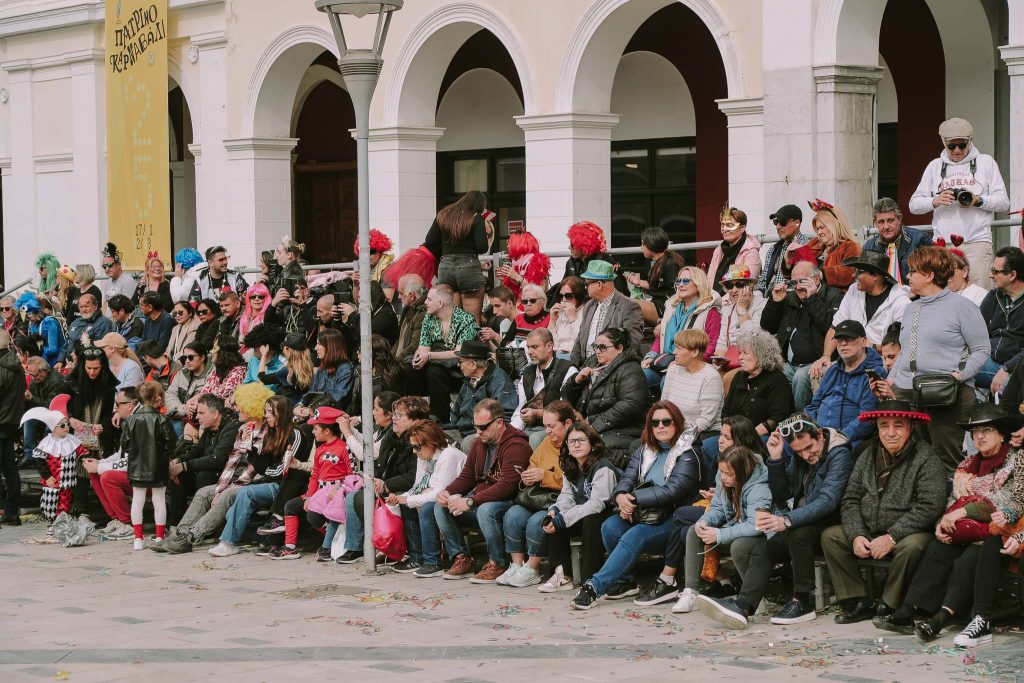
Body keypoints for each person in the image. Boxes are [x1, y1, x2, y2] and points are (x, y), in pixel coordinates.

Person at [873, 403, 1023, 646]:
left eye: (987, 431)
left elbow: (1003, 503)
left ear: (1002, 434)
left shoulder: (1014, 462)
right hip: (963, 530)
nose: (980, 437)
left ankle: (941, 618)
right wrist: (943, 522)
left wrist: (961, 512)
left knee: (968, 559)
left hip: (995, 533)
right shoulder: (968, 465)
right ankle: (912, 610)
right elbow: (953, 501)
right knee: (936, 549)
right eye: (976, 432)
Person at [822, 399, 946, 624]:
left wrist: (892, 536)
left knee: (912, 547)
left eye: (898, 425)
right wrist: (857, 534)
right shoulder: (867, 455)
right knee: (831, 537)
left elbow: (930, 506)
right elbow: (850, 498)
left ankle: (889, 604)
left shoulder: (926, 458)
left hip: (908, 532)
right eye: (884, 426)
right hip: (870, 528)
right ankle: (859, 600)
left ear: (910, 427)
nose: (890, 433)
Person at [570, 401, 702, 610]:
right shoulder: (645, 451)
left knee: (635, 535)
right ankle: (625, 581)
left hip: (673, 518)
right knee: (610, 526)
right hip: (644, 512)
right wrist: (621, 496)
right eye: (655, 422)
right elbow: (626, 479)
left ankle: (595, 587)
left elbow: (672, 491)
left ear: (677, 424)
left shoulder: (688, 453)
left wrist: (634, 499)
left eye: (666, 421)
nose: (660, 426)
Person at [885, 246, 989, 473]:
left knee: (947, 460)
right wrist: (891, 380)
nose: (908, 276)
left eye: (912, 271)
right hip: (908, 391)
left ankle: (952, 506)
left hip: (946, 393)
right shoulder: (911, 308)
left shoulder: (963, 306)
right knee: (913, 459)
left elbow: (982, 349)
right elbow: (906, 351)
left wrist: (960, 375)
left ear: (930, 275)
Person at [759, 414, 855, 624]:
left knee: (798, 534)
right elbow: (783, 493)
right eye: (798, 451)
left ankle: (803, 601)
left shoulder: (839, 453)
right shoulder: (801, 455)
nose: (805, 455)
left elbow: (828, 501)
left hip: (836, 520)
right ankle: (743, 604)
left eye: (808, 447)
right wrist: (775, 459)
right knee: (768, 547)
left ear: (819, 434)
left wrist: (787, 519)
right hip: (808, 518)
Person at [160, 383, 274, 554]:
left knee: (225, 494)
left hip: (257, 481)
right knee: (204, 493)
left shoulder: (268, 432)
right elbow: (232, 462)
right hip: (237, 479)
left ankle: (191, 536)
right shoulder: (244, 429)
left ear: (252, 407)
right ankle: (179, 534)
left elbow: (253, 469)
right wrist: (220, 488)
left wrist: (228, 488)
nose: (236, 408)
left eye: (240, 405)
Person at [433, 399, 532, 582]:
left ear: (499, 422)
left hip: (508, 502)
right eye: (475, 426)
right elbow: (467, 476)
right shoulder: (480, 442)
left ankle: (498, 562)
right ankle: (462, 558)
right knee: (440, 506)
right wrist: (448, 491)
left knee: (487, 510)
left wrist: (470, 501)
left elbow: (507, 486)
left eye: (483, 427)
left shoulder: (517, 445)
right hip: (481, 499)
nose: (478, 432)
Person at [678, 445, 774, 630]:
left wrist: (719, 534)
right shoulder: (724, 479)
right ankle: (690, 591)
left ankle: (755, 597)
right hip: (733, 527)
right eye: (721, 472)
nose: (723, 477)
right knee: (693, 531)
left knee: (739, 546)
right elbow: (716, 508)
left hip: (758, 536)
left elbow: (756, 525)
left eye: (728, 473)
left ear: (743, 471)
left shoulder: (759, 489)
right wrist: (704, 521)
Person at [909, 117, 1009, 288]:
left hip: (977, 243)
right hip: (943, 246)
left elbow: (1004, 203)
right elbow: (913, 205)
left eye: (962, 145)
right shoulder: (935, 166)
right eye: (951, 145)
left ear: (971, 141)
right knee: (944, 295)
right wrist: (935, 201)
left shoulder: (986, 162)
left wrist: (978, 200)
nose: (957, 150)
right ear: (943, 142)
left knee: (979, 295)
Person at [213, 395, 307, 557]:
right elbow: (263, 467)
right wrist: (250, 448)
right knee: (233, 508)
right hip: (273, 482)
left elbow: (283, 470)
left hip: (288, 485)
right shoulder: (271, 433)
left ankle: (228, 543)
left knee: (245, 493)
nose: (266, 415)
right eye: (265, 411)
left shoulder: (295, 434)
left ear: (282, 413)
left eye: (270, 412)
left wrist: (267, 470)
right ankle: (265, 539)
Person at [495, 400, 571, 588]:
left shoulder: (577, 442)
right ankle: (517, 564)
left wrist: (545, 475)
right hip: (538, 496)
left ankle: (533, 567)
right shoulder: (547, 442)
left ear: (568, 423)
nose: (548, 431)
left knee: (537, 520)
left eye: (552, 426)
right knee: (512, 515)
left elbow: (574, 481)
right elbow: (533, 464)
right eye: (545, 426)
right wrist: (528, 477)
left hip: (559, 500)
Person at [335, 393, 416, 565]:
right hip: (387, 483)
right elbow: (368, 444)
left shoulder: (403, 436)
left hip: (402, 487)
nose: (372, 413)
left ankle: (393, 546)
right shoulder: (389, 434)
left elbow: (366, 454)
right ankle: (357, 547)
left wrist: (346, 432)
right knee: (353, 497)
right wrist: (351, 430)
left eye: (376, 409)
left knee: (361, 497)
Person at [539, 420, 618, 591]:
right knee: (554, 521)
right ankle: (562, 574)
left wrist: (565, 518)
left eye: (581, 440)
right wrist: (555, 511)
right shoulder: (571, 466)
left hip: (608, 513)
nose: (576, 445)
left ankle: (591, 579)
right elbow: (567, 497)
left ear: (592, 442)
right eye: (572, 441)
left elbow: (598, 503)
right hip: (584, 512)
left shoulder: (603, 466)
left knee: (590, 521)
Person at [268, 406, 354, 560]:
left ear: (327, 431)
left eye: (315, 428)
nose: (312, 432)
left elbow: (351, 475)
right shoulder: (320, 450)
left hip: (338, 494)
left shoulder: (344, 448)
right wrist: (308, 496)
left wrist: (340, 490)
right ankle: (290, 548)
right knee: (291, 506)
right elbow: (315, 475)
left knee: (314, 516)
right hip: (320, 492)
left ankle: (333, 541)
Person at [387, 419, 467, 577]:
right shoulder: (424, 456)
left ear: (431, 442)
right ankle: (417, 556)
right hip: (440, 498)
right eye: (413, 447)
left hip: (457, 499)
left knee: (428, 508)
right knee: (407, 503)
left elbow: (439, 492)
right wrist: (400, 498)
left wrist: (407, 500)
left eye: (417, 447)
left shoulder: (448, 455)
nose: (415, 452)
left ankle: (433, 561)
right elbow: (417, 486)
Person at [760, 261, 842, 411]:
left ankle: (803, 420)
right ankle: (777, 420)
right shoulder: (791, 297)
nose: (797, 287)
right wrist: (775, 303)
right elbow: (767, 327)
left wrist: (812, 298)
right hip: (788, 363)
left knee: (800, 377)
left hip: (817, 361)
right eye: (793, 282)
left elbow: (831, 327)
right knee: (768, 372)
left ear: (816, 279)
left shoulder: (834, 295)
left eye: (802, 281)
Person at [813, 250, 910, 375]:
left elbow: (899, 347)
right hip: (851, 359)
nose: (853, 275)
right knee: (816, 373)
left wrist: (870, 346)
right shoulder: (854, 290)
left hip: (882, 364)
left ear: (875, 276)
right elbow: (835, 326)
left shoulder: (900, 301)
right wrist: (826, 356)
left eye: (858, 272)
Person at [565, 327, 650, 467]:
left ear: (619, 348)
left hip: (624, 430)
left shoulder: (630, 369)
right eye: (596, 346)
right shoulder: (592, 363)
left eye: (603, 347)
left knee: (586, 447)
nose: (597, 351)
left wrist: (592, 425)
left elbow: (631, 404)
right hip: (592, 425)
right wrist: (576, 381)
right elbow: (567, 396)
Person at [703, 329, 793, 461]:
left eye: (745, 353)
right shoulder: (739, 377)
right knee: (705, 448)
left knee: (743, 453)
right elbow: (726, 412)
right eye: (740, 353)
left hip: (760, 437)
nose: (739, 358)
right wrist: (728, 435)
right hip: (733, 435)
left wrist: (746, 437)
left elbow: (777, 418)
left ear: (761, 354)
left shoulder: (777, 380)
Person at [805, 320, 885, 451]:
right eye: (839, 339)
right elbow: (813, 406)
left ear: (864, 341)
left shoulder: (874, 373)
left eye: (850, 338)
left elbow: (866, 419)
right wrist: (809, 432)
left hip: (849, 442)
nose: (843, 343)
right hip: (819, 438)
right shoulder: (832, 370)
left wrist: (836, 439)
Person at [166, 394, 242, 524]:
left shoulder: (232, 427)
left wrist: (184, 466)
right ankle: (176, 524)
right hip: (210, 470)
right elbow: (197, 451)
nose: (197, 417)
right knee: (178, 475)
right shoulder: (210, 427)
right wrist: (178, 461)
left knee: (203, 474)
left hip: (227, 475)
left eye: (201, 413)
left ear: (215, 414)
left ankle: (204, 524)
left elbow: (218, 459)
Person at [412, 285, 479, 424]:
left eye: (429, 299)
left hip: (459, 369)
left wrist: (429, 356)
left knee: (434, 372)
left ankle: (440, 421)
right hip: (435, 364)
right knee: (406, 371)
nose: (425, 302)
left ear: (440, 303)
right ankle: (410, 418)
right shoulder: (429, 318)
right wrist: (418, 357)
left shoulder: (466, 320)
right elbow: (423, 346)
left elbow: (460, 353)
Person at [121, 381, 176, 550]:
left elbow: (124, 445)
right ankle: (159, 536)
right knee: (159, 499)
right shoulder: (162, 419)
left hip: (137, 465)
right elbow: (172, 442)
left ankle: (138, 538)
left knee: (138, 500)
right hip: (158, 464)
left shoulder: (130, 420)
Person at [645, 266, 721, 387]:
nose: (681, 284)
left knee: (668, 381)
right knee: (638, 377)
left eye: (686, 281)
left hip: (690, 365)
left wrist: (685, 363)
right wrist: (650, 356)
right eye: (678, 281)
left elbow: (711, 344)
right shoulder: (671, 307)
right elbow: (660, 338)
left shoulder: (710, 311)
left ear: (698, 284)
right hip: (664, 362)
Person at [21, 397, 88, 532]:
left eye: (67, 424)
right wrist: (46, 476)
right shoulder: (46, 443)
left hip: (67, 481)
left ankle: (63, 522)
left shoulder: (72, 440)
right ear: (54, 428)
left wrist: (86, 460)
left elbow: (81, 452)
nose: (66, 428)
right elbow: (39, 460)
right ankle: (52, 522)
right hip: (52, 481)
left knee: (66, 501)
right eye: (62, 426)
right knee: (50, 503)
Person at [81, 386, 140, 539]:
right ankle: (115, 519)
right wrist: (100, 462)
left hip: (145, 475)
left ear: (130, 404)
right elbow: (121, 453)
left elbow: (131, 462)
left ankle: (126, 523)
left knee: (107, 476)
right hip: (134, 472)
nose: (115, 408)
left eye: (118, 404)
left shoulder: (139, 422)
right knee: (95, 474)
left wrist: (101, 467)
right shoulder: (129, 421)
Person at [425, 190, 492, 321]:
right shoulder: (475, 217)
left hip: (445, 267)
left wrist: (444, 253)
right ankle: (469, 341)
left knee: (452, 320)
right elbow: (482, 247)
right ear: (478, 205)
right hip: (468, 267)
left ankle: (452, 342)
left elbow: (430, 241)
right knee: (471, 320)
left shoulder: (443, 215)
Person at [569, 260, 643, 369]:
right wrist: (572, 368)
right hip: (585, 369)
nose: (585, 288)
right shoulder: (589, 305)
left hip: (613, 370)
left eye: (587, 284)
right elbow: (580, 340)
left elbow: (631, 346)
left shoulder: (629, 307)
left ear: (599, 284)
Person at [510, 328, 577, 448]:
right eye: (528, 347)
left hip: (558, 427)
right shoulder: (527, 373)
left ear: (549, 346)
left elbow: (566, 411)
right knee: (510, 438)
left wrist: (538, 414)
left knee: (535, 439)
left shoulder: (568, 370)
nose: (530, 352)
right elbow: (521, 407)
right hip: (531, 426)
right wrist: (512, 431)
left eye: (534, 347)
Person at [448, 339, 519, 451]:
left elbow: (505, 415)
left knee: (467, 443)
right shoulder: (469, 380)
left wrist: (481, 431)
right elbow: (456, 411)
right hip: (462, 430)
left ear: (473, 364)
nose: (459, 365)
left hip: (481, 432)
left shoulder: (500, 381)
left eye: (461, 361)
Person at [661, 329, 723, 440]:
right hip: (673, 430)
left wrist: (678, 436)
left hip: (701, 435)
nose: (674, 352)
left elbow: (706, 421)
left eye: (679, 348)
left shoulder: (710, 377)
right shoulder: (673, 369)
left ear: (694, 352)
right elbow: (664, 404)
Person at [977, 247, 1024, 392]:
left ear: (1012, 275)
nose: (992, 276)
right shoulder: (992, 297)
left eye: (996, 272)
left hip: (1019, 367)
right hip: (991, 361)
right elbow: (976, 332)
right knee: (952, 371)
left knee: (1008, 387)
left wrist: (1006, 369)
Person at [551, 221, 628, 305]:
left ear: (583, 245)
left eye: (572, 244)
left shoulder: (605, 263)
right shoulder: (571, 262)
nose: (569, 247)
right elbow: (563, 287)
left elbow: (617, 295)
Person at [862, 197, 933, 286]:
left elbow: (933, 274)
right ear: (874, 223)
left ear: (900, 219)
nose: (886, 226)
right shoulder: (869, 247)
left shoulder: (919, 239)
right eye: (881, 222)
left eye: (890, 220)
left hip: (913, 296)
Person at [624, 227, 685, 324]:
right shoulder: (660, 262)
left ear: (651, 244)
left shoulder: (671, 264)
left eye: (643, 244)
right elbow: (657, 288)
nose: (641, 247)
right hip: (659, 304)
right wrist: (638, 282)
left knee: (625, 302)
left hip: (667, 308)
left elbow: (675, 292)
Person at [293, 328, 355, 415]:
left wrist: (311, 409)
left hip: (332, 419)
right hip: (315, 415)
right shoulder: (321, 370)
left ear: (330, 346)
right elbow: (311, 393)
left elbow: (336, 399)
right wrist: (300, 405)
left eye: (319, 344)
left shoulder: (345, 369)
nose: (315, 348)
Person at [805, 199, 861, 290]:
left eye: (822, 228)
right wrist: (789, 255)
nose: (819, 232)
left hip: (836, 298)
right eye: (817, 229)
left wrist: (821, 274)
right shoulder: (815, 242)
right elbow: (795, 267)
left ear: (833, 226)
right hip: (810, 294)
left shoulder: (850, 246)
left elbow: (851, 273)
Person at [0, 330, 26, 526]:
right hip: (10, 422)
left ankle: (10, 512)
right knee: (9, 469)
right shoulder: (16, 365)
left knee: (8, 469)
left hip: (2, 422)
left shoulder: (3, 367)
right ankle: (11, 512)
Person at [707, 206, 762, 295]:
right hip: (714, 302)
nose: (724, 229)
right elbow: (709, 281)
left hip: (737, 302)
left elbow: (746, 286)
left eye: (729, 225)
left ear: (742, 228)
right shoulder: (719, 250)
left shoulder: (751, 252)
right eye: (722, 225)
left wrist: (721, 303)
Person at [714, 265, 766, 358]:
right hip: (730, 359)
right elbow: (722, 342)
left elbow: (753, 341)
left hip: (752, 359)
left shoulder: (762, 304)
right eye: (729, 286)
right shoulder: (726, 308)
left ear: (750, 286)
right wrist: (719, 358)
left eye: (740, 285)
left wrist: (742, 309)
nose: (734, 290)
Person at [756, 204, 809, 294]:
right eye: (776, 222)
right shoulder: (773, 249)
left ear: (797, 223)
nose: (778, 226)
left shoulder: (806, 246)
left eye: (783, 222)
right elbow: (762, 282)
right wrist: (758, 295)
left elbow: (806, 283)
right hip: (770, 300)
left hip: (792, 300)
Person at [165, 341, 211, 437]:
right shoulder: (181, 373)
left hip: (199, 420)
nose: (187, 361)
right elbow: (170, 394)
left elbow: (209, 400)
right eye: (184, 358)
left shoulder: (212, 375)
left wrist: (193, 409)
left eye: (190, 357)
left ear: (202, 357)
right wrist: (182, 409)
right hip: (180, 415)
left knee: (176, 427)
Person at [56, 293, 113, 369]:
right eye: (81, 307)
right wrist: (60, 361)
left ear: (95, 306)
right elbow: (66, 344)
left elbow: (99, 349)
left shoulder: (104, 323)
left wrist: (78, 361)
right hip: (68, 365)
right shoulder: (75, 322)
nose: (84, 310)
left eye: (87, 306)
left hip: (87, 367)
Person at [497, 225, 552, 302]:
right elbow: (511, 296)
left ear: (520, 244)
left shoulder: (538, 262)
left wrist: (518, 278)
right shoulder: (515, 264)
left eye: (510, 243)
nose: (508, 246)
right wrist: (505, 279)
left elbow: (539, 294)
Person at [393, 274, 428, 391]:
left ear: (412, 296)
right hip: (401, 360)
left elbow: (414, 346)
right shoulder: (408, 310)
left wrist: (392, 362)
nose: (398, 297)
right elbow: (400, 340)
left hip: (410, 365)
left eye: (401, 294)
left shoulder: (423, 314)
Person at [192, 336, 246, 409]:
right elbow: (204, 391)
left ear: (224, 353)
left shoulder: (239, 371)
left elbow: (220, 396)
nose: (211, 351)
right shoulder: (218, 370)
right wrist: (193, 402)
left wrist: (198, 402)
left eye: (215, 348)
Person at [18, 292, 64, 366]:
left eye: (29, 314)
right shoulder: (32, 324)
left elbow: (53, 349)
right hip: (41, 361)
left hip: (54, 362)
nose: (27, 318)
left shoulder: (50, 322)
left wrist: (38, 357)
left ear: (36, 311)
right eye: (25, 316)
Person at [548, 276, 587, 360]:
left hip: (573, 357)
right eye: (561, 296)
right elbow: (549, 341)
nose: (564, 300)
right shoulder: (560, 312)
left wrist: (573, 320)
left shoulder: (586, 312)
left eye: (568, 296)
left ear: (578, 295)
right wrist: (552, 320)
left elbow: (581, 344)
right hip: (555, 355)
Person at [942, 240, 988, 307]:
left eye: (950, 271)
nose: (946, 276)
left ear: (964, 271)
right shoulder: (938, 294)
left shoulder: (980, 295)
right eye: (942, 272)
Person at [479, 285, 517, 350]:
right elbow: (502, 351)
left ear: (509, 304)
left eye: (497, 306)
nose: (494, 311)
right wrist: (488, 341)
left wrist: (495, 336)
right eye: (493, 306)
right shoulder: (504, 323)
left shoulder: (524, 320)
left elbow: (518, 351)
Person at [101, 243, 139, 308]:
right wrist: (104, 318)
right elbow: (105, 305)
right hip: (108, 318)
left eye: (110, 265)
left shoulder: (127, 281)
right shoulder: (107, 283)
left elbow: (126, 308)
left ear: (119, 265)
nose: (107, 269)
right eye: (104, 266)